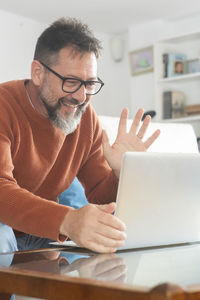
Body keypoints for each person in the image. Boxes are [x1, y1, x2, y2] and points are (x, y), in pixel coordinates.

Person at [0, 17, 160, 256]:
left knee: (103, 251)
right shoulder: (5, 106)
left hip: (38, 230)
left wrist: (122, 172)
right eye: (71, 82)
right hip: (5, 225)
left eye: (89, 84)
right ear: (37, 73)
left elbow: (98, 194)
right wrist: (67, 220)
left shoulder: (85, 119)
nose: (81, 96)